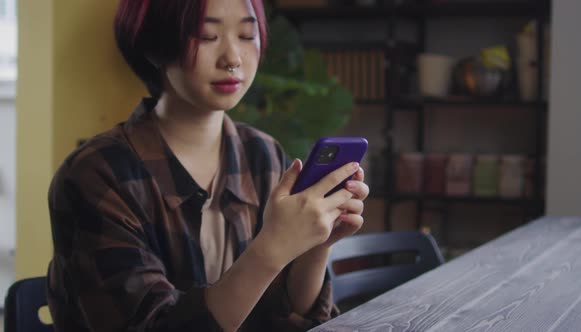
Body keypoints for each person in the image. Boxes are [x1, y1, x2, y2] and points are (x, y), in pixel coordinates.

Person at [46, 0, 369, 331]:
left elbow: (288, 316)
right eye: (206, 36)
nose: (233, 59)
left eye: (246, 35)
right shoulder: (96, 175)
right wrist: (270, 249)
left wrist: (318, 245)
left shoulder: (262, 154)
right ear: (155, 46)